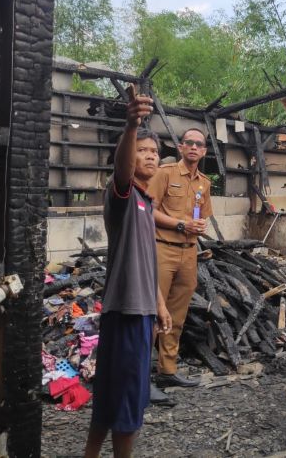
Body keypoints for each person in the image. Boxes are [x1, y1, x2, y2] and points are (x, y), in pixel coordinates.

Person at [84, 89, 172, 458]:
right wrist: (131, 125)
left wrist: (160, 305)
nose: (150, 156)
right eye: (142, 151)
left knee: (110, 394)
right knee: (127, 402)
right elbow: (121, 168)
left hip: (141, 310)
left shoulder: (147, 202)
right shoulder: (122, 195)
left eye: (154, 152)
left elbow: (146, 262)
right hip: (126, 312)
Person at [147, 128, 213, 389]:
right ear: (181, 147)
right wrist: (180, 225)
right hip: (163, 248)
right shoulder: (165, 174)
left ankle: (167, 369)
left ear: (204, 151)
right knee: (153, 312)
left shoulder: (204, 183)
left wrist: (198, 226)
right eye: (189, 143)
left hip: (189, 252)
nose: (194, 147)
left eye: (199, 144)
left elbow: (203, 215)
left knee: (176, 313)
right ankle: (141, 375)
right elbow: (148, 210)